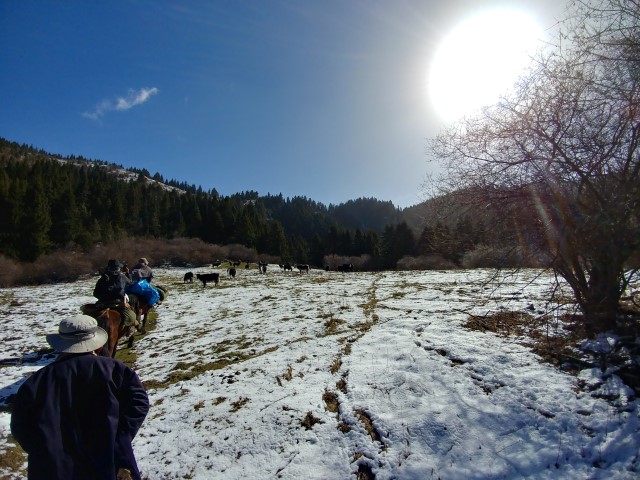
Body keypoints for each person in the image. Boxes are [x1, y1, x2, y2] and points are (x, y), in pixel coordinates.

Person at [10, 314, 150, 480]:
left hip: (52, 469)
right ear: (98, 346)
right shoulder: (115, 370)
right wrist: (121, 436)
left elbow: (20, 426)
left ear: (60, 345)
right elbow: (139, 403)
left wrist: (44, 448)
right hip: (109, 463)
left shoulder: (35, 382)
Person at [93, 259, 140, 330]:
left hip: (102, 303)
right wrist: (127, 273)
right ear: (118, 268)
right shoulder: (122, 276)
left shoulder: (102, 278)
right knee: (132, 316)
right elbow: (130, 283)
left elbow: (95, 293)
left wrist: (103, 298)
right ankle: (136, 326)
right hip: (118, 302)